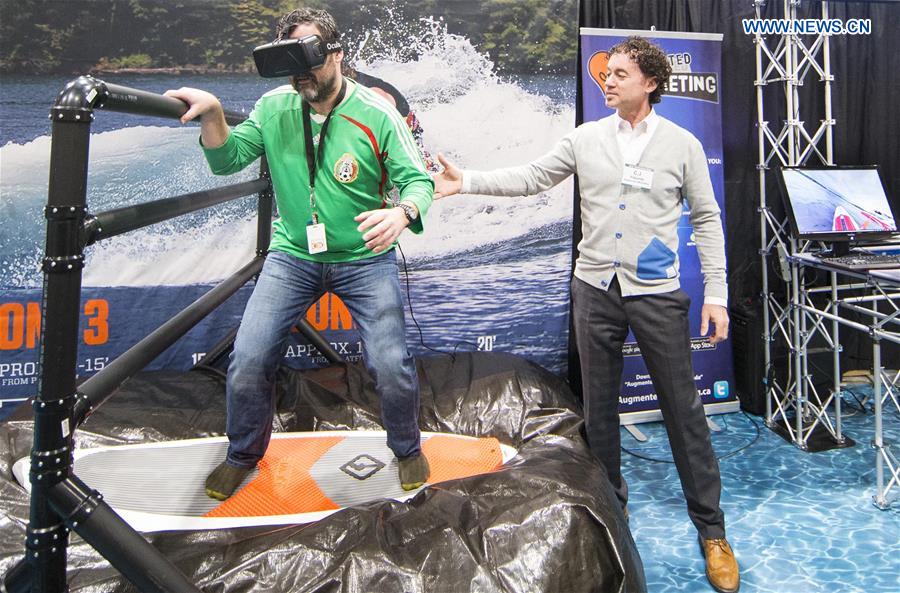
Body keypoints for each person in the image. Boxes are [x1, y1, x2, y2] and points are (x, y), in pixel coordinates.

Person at [432, 36, 739, 593]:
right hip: (594, 290)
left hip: (656, 294)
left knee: (683, 413)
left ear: (649, 82)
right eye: (607, 73)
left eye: (620, 73)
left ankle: (712, 531)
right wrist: (465, 181)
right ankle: (610, 511)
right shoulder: (585, 137)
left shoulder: (682, 145)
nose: (608, 81)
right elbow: (531, 178)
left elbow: (709, 220)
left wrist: (715, 292)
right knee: (599, 411)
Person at [165, 7, 434, 500]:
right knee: (247, 359)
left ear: (337, 54)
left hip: (364, 258)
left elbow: (417, 180)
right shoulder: (273, 107)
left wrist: (401, 214)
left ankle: (407, 448)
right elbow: (226, 160)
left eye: (308, 56)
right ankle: (242, 454)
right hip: (294, 256)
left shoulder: (377, 113)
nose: (300, 72)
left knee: (390, 363)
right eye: (289, 59)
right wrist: (212, 114)